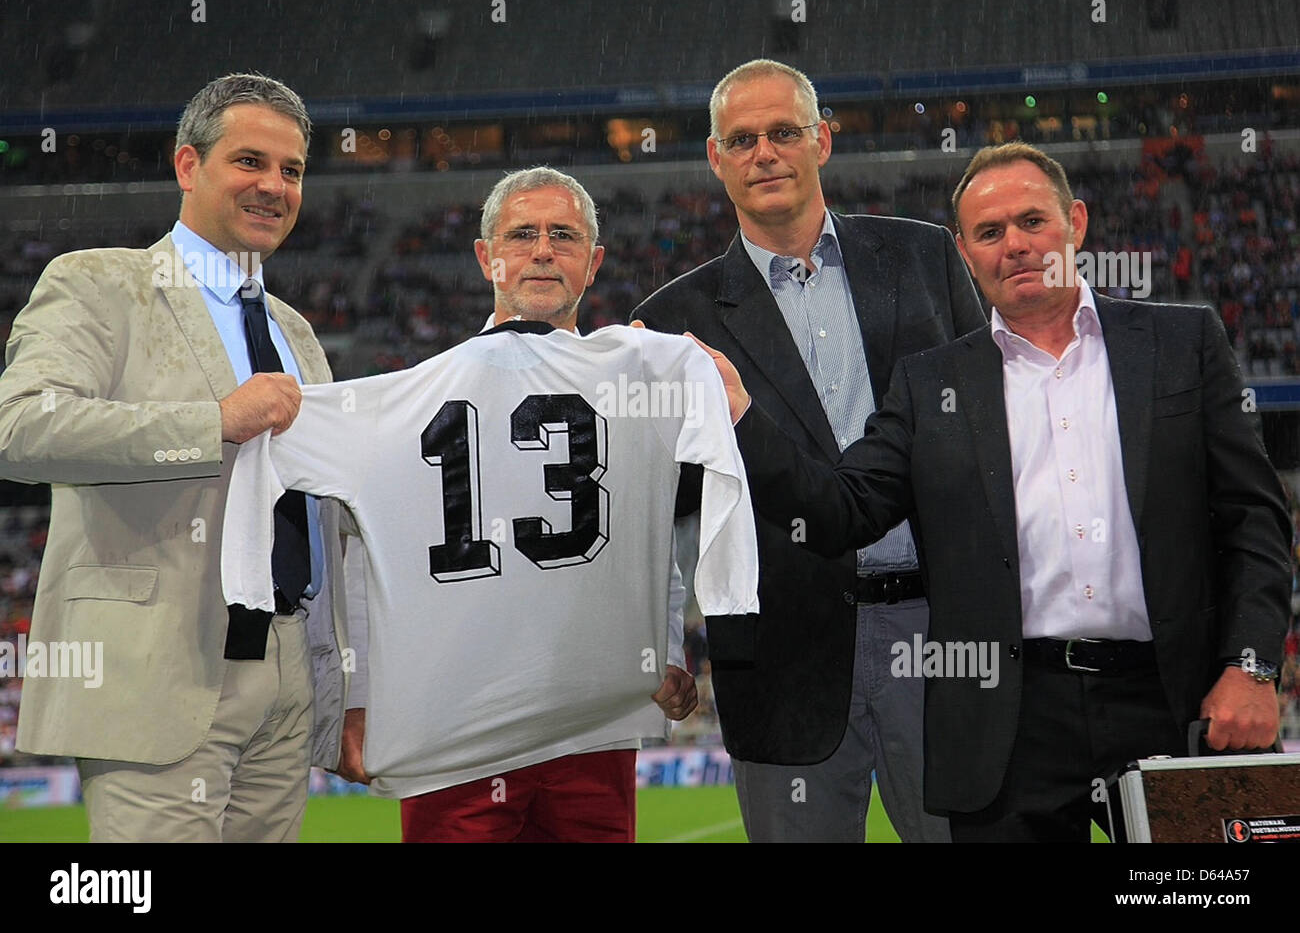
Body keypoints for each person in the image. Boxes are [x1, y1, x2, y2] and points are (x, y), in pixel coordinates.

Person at [706, 140, 1290, 841]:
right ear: (965, 251)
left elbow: (1255, 519)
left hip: (1175, 696)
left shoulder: (1182, 340)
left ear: (1075, 222)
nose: (1014, 244)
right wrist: (740, 410)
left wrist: (1252, 665)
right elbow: (841, 509)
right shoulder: (931, 385)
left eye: (1032, 221)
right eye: (989, 232)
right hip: (1011, 723)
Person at [325, 167, 746, 842]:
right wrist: (358, 694)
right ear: (485, 255)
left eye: (564, 235)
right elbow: (365, 558)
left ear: (595, 260)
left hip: (590, 723)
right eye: (522, 234)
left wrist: (665, 648)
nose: (543, 250)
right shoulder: (408, 399)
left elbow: (644, 539)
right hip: (455, 724)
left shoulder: (635, 386)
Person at [632, 59, 985, 842]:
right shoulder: (670, 320)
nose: (766, 152)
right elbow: (662, 508)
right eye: (743, 138)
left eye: (784, 132)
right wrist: (655, 641)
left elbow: (989, 445)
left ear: (822, 140)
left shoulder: (926, 260)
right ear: (716, 159)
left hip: (939, 635)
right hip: (781, 659)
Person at [0, 73, 354, 841]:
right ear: (188, 166)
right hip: (158, 673)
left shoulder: (296, 331)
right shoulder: (97, 283)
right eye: (249, 161)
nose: (274, 186)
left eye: (291, 170)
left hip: (285, 672)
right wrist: (213, 423)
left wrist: (343, 683)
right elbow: (22, 426)